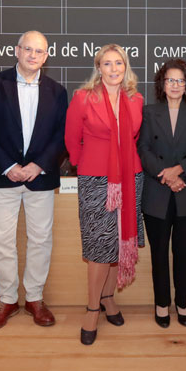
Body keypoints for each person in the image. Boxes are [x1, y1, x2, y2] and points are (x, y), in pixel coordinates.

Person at [0, 30, 68, 331]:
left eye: (38, 51)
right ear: (17, 51)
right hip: (4, 178)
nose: (32, 55)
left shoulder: (57, 91)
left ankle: (35, 299)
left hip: (40, 178)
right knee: (2, 242)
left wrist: (39, 166)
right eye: (27, 49)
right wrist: (9, 166)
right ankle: (7, 300)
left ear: (46, 56)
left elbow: (61, 136)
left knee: (41, 239)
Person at [64, 44, 144, 345]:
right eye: (107, 64)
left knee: (119, 242)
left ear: (126, 68)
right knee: (99, 245)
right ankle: (92, 308)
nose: (113, 69)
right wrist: (87, 164)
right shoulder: (83, 98)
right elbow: (72, 139)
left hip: (130, 177)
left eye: (119, 64)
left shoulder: (136, 100)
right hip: (96, 178)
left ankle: (109, 297)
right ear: (99, 68)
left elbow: (134, 138)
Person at [138, 59, 186, 328]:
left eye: (180, 80)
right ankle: (161, 304)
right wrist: (167, 177)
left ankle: (182, 302)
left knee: (185, 252)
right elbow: (144, 149)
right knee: (159, 253)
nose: (175, 85)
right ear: (162, 83)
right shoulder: (149, 112)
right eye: (170, 80)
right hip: (157, 192)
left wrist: (179, 171)